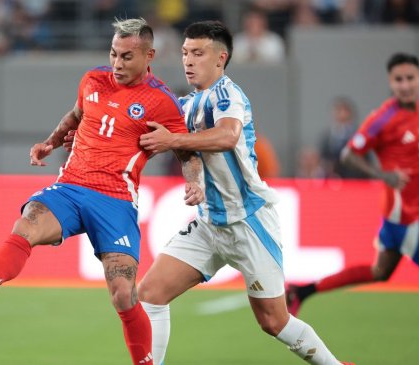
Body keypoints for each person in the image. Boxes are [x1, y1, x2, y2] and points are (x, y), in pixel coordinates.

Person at [0, 18, 203, 365]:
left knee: (124, 294)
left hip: (116, 200)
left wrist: (194, 180)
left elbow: (185, 150)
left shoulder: (161, 101)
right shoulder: (93, 79)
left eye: (127, 56)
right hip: (71, 186)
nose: (117, 63)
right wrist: (50, 142)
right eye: (113, 54)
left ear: (149, 55)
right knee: (29, 220)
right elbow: (77, 114)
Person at [136, 21, 353, 365]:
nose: (188, 61)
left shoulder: (228, 94)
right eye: (184, 53)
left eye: (197, 53)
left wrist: (173, 140)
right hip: (209, 224)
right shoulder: (187, 104)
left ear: (220, 58)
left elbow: (227, 137)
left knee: (273, 322)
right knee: (149, 292)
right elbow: (156, 136)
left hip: (249, 222)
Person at [286, 53, 419, 316]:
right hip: (404, 215)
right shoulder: (384, 118)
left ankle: (302, 291)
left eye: (410, 78)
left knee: (380, 272)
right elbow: (349, 154)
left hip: (408, 213)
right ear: (390, 82)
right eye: (398, 79)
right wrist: (383, 175)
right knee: (379, 271)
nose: (405, 84)